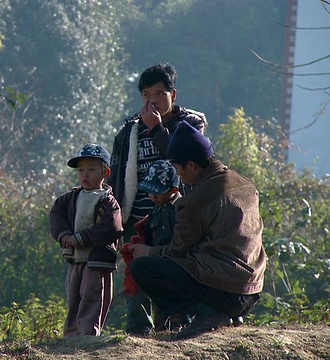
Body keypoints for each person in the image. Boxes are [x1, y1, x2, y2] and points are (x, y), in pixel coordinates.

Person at [128, 121, 267, 340]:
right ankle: (222, 313)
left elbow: (177, 250)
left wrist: (148, 251)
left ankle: (206, 313)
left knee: (142, 268)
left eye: (178, 170)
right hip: (251, 290)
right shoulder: (246, 185)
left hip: (222, 288)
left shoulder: (194, 201)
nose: (180, 177)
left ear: (191, 165)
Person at [107, 62, 207, 335]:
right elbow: (116, 177)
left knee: (173, 269)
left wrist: (156, 129)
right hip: (139, 218)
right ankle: (139, 334)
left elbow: (185, 160)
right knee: (135, 274)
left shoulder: (189, 124)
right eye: (146, 94)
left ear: (173, 95)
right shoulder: (129, 130)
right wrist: (115, 222)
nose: (152, 100)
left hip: (178, 217)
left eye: (159, 93)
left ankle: (175, 327)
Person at [50, 143, 123, 337]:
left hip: (96, 261)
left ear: (105, 172)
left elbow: (112, 228)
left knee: (92, 297)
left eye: (91, 169)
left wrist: (82, 238)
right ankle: (72, 335)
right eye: (81, 170)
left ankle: (88, 335)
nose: (85, 174)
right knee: (73, 297)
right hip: (76, 259)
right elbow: (56, 214)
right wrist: (64, 235)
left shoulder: (108, 201)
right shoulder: (70, 198)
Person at [120, 159, 181, 331]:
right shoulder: (156, 210)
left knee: (174, 316)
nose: (152, 196)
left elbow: (181, 246)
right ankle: (142, 329)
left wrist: (149, 251)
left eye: (157, 192)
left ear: (173, 190)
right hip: (158, 263)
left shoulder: (181, 210)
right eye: (150, 191)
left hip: (176, 266)